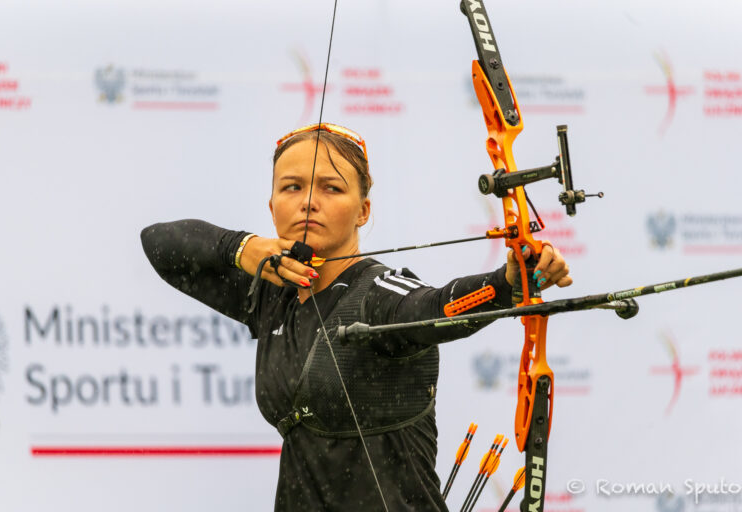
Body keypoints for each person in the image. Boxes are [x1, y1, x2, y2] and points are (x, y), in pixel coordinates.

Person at [140, 123, 571, 511]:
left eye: (331, 188)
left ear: (363, 210)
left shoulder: (380, 295)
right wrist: (241, 246)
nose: (309, 201)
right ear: (271, 207)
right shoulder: (273, 294)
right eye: (291, 187)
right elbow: (159, 244)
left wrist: (504, 283)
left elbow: (435, 307)